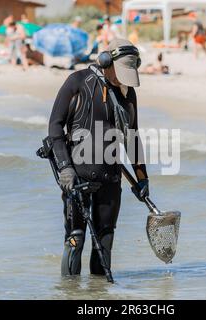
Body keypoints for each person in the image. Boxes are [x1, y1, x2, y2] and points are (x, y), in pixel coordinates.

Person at [48, 39, 149, 277]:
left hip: (111, 180)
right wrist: (65, 168)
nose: (123, 79)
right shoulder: (78, 82)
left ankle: (99, 297)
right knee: (75, 239)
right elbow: (54, 127)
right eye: (121, 72)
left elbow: (132, 139)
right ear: (106, 61)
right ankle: (71, 294)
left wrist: (142, 178)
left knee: (105, 241)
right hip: (77, 178)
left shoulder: (128, 93)